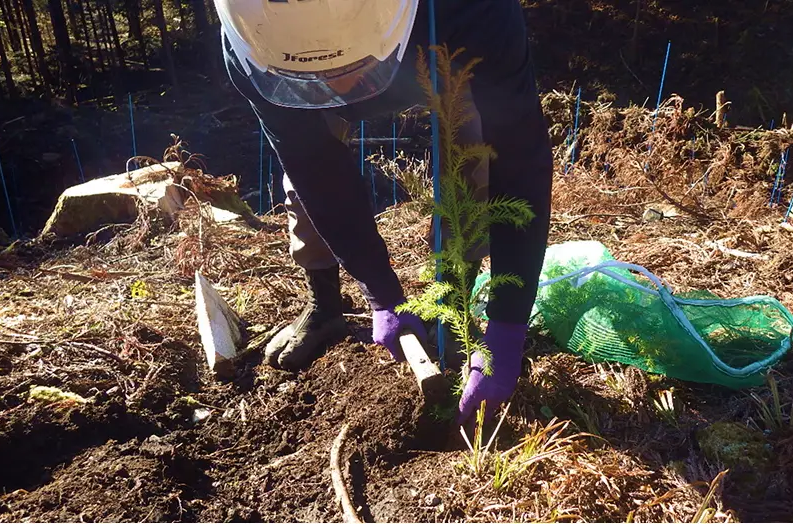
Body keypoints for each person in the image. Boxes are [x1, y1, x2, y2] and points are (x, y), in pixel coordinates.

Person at [215, 0, 552, 424]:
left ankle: (455, 300)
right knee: (302, 178)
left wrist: (508, 327)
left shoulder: (477, 13)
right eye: (315, 77)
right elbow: (314, 169)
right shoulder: (251, 40)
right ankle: (324, 305)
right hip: (302, 77)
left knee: (472, 153)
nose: (336, 88)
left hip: (433, 51)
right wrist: (380, 291)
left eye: (343, 72)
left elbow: (519, 163)